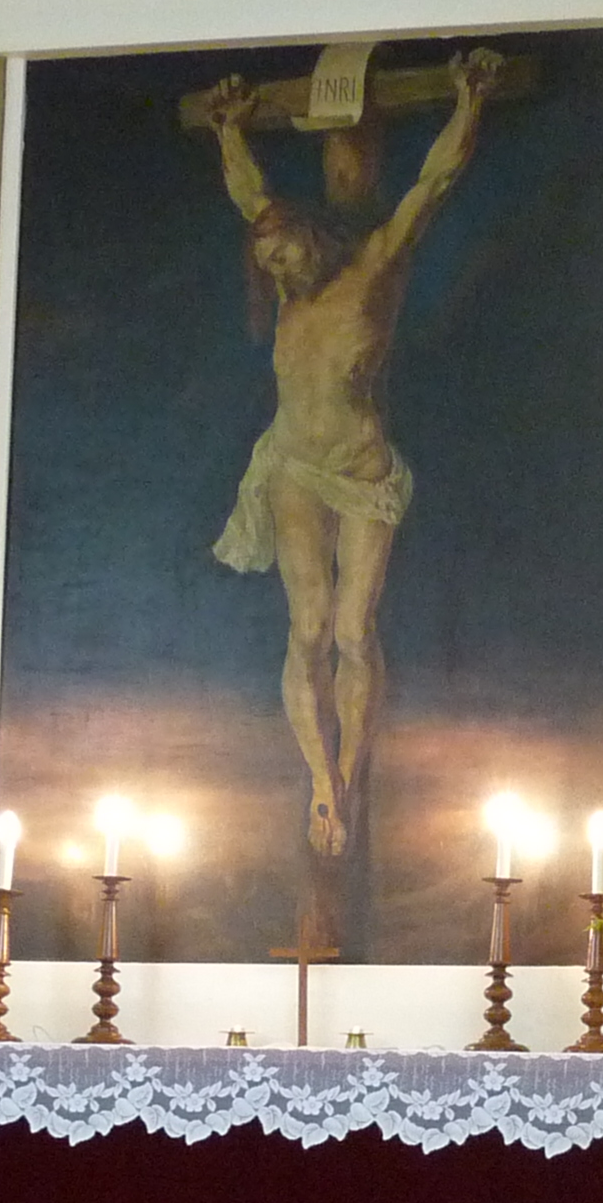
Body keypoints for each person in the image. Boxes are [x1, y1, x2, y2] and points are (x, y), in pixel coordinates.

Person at [194, 47, 505, 857]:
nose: (279, 269)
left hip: (363, 474)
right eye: (267, 264)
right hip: (294, 468)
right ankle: (322, 784)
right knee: (307, 629)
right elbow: (247, 195)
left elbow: (432, 183)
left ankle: (353, 772)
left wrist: (468, 101)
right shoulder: (290, 290)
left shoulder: (374, 268)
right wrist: (228, 129)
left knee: (354, 631)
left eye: (284, 253)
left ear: (309, 236)